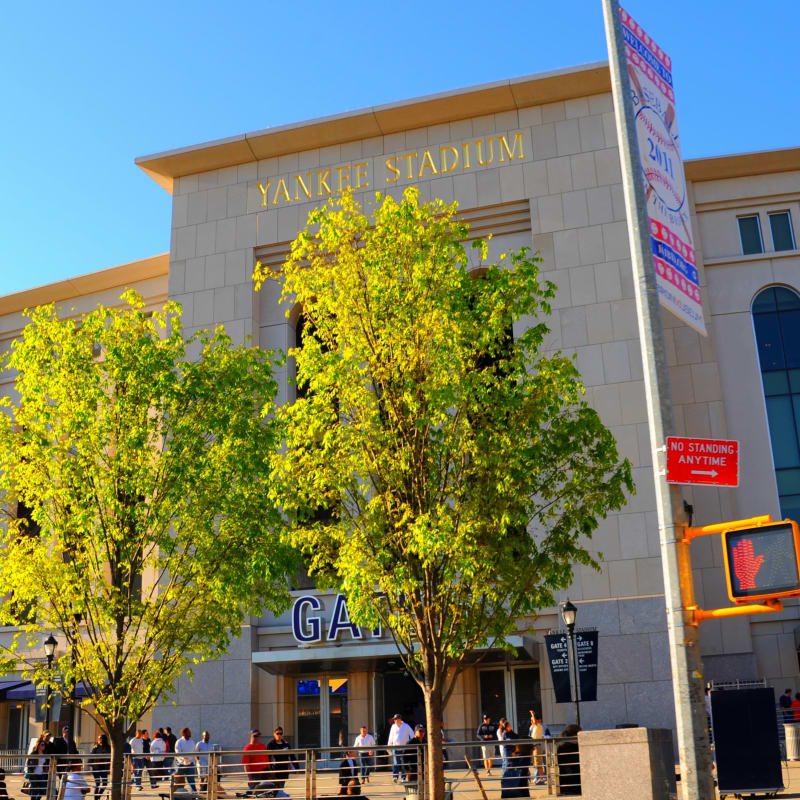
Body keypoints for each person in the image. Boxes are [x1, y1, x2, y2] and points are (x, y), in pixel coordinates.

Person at [265, 727, 298, 792]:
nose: (279, 735)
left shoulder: (286, 744)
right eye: (278, 733)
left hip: (284, 770)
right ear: (274, 734)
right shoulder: (271, 744)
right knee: (275, 788)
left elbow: (292, 756)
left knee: (281, 788)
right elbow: (267, 758)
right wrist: (269, 770)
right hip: (275, 771)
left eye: (281, 733)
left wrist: (296, 767)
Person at [386, 713, 414, 783]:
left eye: (396, 719)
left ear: (400, 719)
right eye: (394, 719)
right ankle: (395, 776)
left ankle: (403, 778)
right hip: (395, 748)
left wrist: (411, 744)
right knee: (396, 763)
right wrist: (388, 746)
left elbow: (412, 735)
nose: (395, 720)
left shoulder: (406, 726)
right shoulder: (393, 726)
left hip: (404, 748)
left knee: (403, 763)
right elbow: (391, 737)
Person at [556, 725, 581, 796]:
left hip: (565, 783)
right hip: (574, 783)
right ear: (575, 735)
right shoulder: (574, 747)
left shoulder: (561, 745)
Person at [175, 727, 197, 793]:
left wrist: (194, 760)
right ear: (184, 733)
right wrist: (184, 759)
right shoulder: (179, 742)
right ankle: (175, 793)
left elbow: (194, 752)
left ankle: (194, 793)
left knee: (191, 780)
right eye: (188, 732)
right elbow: (177, 752)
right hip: (181, 764)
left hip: (190, 764)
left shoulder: (192, 742)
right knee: (178, 780)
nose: (190, 733)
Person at [90, 734, 111, 800]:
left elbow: (109, 757)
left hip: (104, 768)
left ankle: (98, 796)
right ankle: (96, 798)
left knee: (104, 783)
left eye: (101, 739)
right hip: (96, 768)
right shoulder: (95, 747)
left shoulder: (108, 748)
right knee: (97, 783)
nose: (100, 740)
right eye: (99, 739)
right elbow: (91, 756)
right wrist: (90, 763)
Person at [528, 712, 546, 785]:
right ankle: (539, 778)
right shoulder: (533, 727)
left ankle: (542, 778)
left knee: (538, 763)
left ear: (538, 720)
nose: (532, 721)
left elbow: (535, 722)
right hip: (534, 747)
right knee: (536, 763)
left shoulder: (538, 726)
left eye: (533, 720)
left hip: (537, 746)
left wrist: (533, 715)